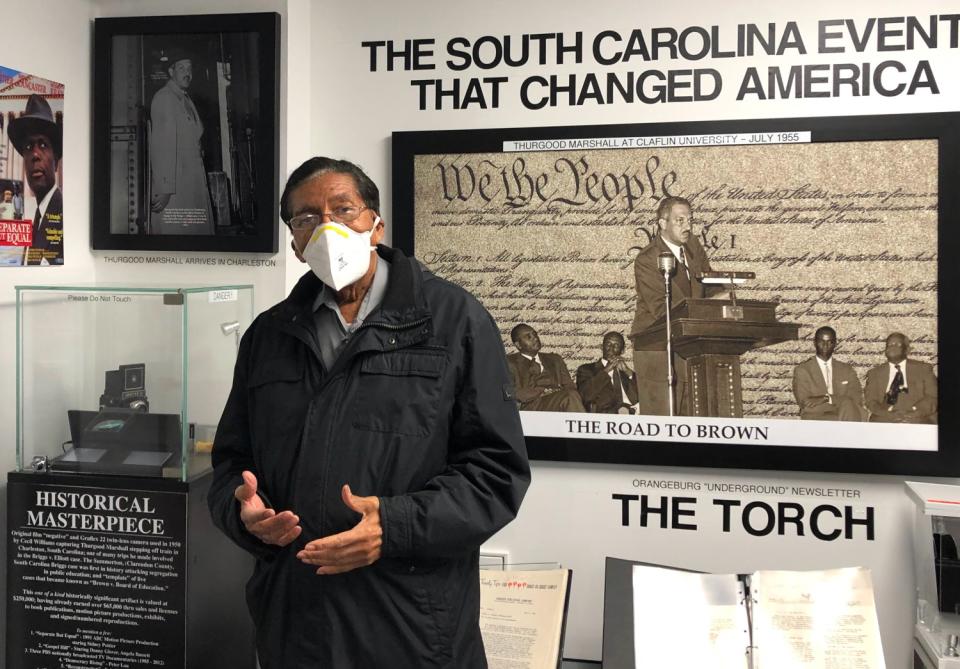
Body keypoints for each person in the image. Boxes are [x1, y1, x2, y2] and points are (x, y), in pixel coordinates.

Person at [208, 157, 530, 668]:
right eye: (307, 219)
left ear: (375, 223)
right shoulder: (268, 337)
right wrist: (245, 517)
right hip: (293, 624)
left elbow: (495, 474)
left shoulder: (454, 321)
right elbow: (230, 464)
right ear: (293, 242)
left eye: (343, 210)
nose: (327, 228)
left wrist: (394, 527)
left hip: (410, 627)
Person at [629, 196, 721, 415]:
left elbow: (709, 279)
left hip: (691, 347)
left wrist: (725, 292)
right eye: (680, 220)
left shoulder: (693, 246)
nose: (688, 226)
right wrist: (709, 306)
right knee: (663, 426)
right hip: (658, 351)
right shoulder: (648, 259)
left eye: (690, 219)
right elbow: (663, 308)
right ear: (662, 223)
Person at [149, 48, 214, 235]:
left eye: (189, 68)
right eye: (181, 68)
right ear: (171, 72)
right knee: (178, 236)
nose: (187, 73)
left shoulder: (184, 99)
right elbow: (162, 146)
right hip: (176, 187)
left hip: (190, 181)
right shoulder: (165, 98)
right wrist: (166, 187)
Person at [6, 94, 63, 265]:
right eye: (28, 147)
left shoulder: (64, 218)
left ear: (56, 162)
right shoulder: (36, 217)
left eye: (43, 144)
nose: (35, 155)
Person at [507, 323, 585, 412]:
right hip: (529, 407)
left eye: (535, 334)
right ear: (518, 345)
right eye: (529, 337)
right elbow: (508, 392)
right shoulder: (509, 362)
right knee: (569, 396)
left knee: (572, 395)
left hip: (558, 402)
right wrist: (541, 390)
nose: (535, 338)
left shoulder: (555, 359)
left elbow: (569, 385)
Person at [791, 326, 863, 421]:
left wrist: (827, 398)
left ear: (835, 344)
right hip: (816, 420)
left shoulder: (847, 370)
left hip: (845, 418)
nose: (825, 345)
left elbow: (856, 399)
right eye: (821, 341)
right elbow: (805, 404)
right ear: (815, 343)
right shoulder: (803, 370)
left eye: (830, 342)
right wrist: (842, 402)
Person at [864, 332, 937, 423]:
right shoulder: (874, 373)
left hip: (918, 416)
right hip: (885, 417)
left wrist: (915, 412)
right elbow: (871, 401)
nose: (892, 346)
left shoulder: (923, 369)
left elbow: (932, 396)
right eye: (889, 344)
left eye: (898, 344)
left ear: (907, 350)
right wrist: (887, 413)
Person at [576, 331, 639, 413]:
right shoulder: (586, 369)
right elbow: (584, 396)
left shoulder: (626, 372)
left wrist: (628, 371)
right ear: (601, 347)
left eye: (616, 345)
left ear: (622, 350)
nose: (611, 348)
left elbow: (645, 394)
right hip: (606, 417)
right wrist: (606, 371)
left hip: (634, 414)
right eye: (608, 344)